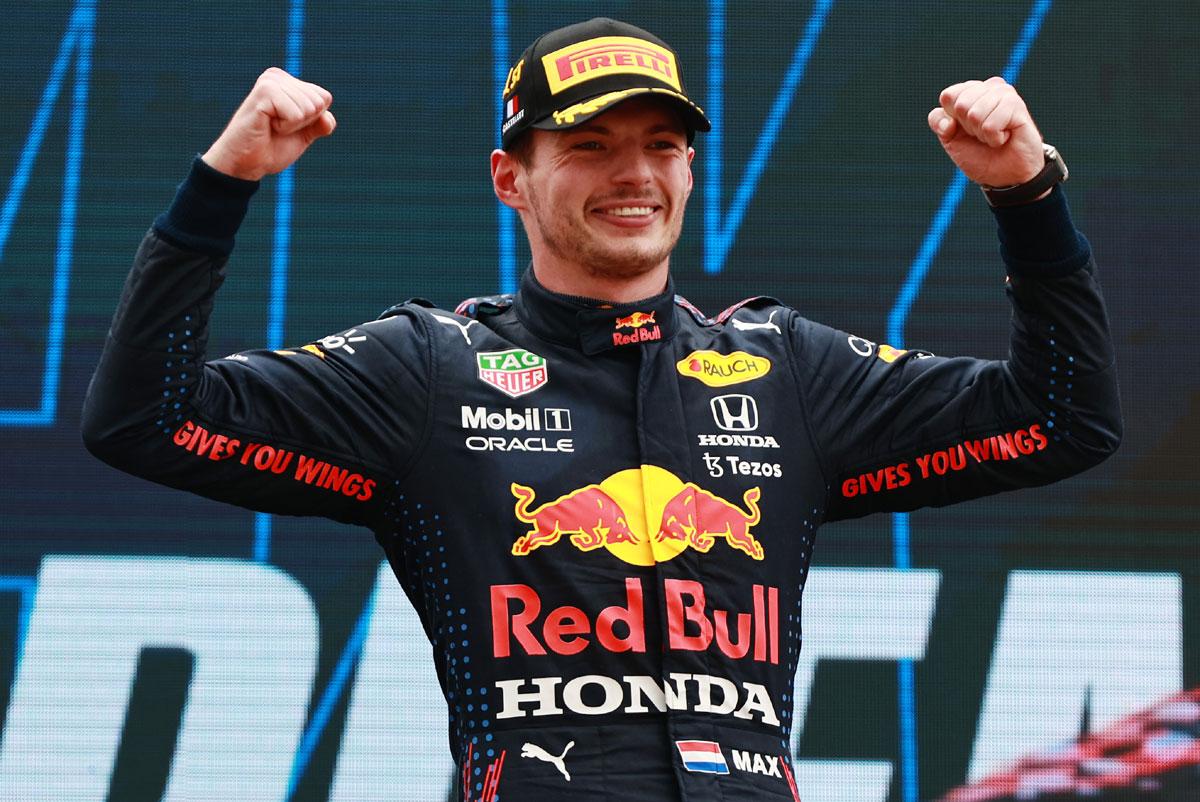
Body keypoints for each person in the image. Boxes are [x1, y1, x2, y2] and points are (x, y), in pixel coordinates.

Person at [82, 17, 1120, 802]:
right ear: (510, 178)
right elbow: (148, 420)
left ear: (690, 167)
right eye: (587, 144)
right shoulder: (427, 370)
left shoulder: (787, 370)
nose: (634, 173)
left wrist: (1026, 195)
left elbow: (1064, 417)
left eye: (662, 143)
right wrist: (224, 183)